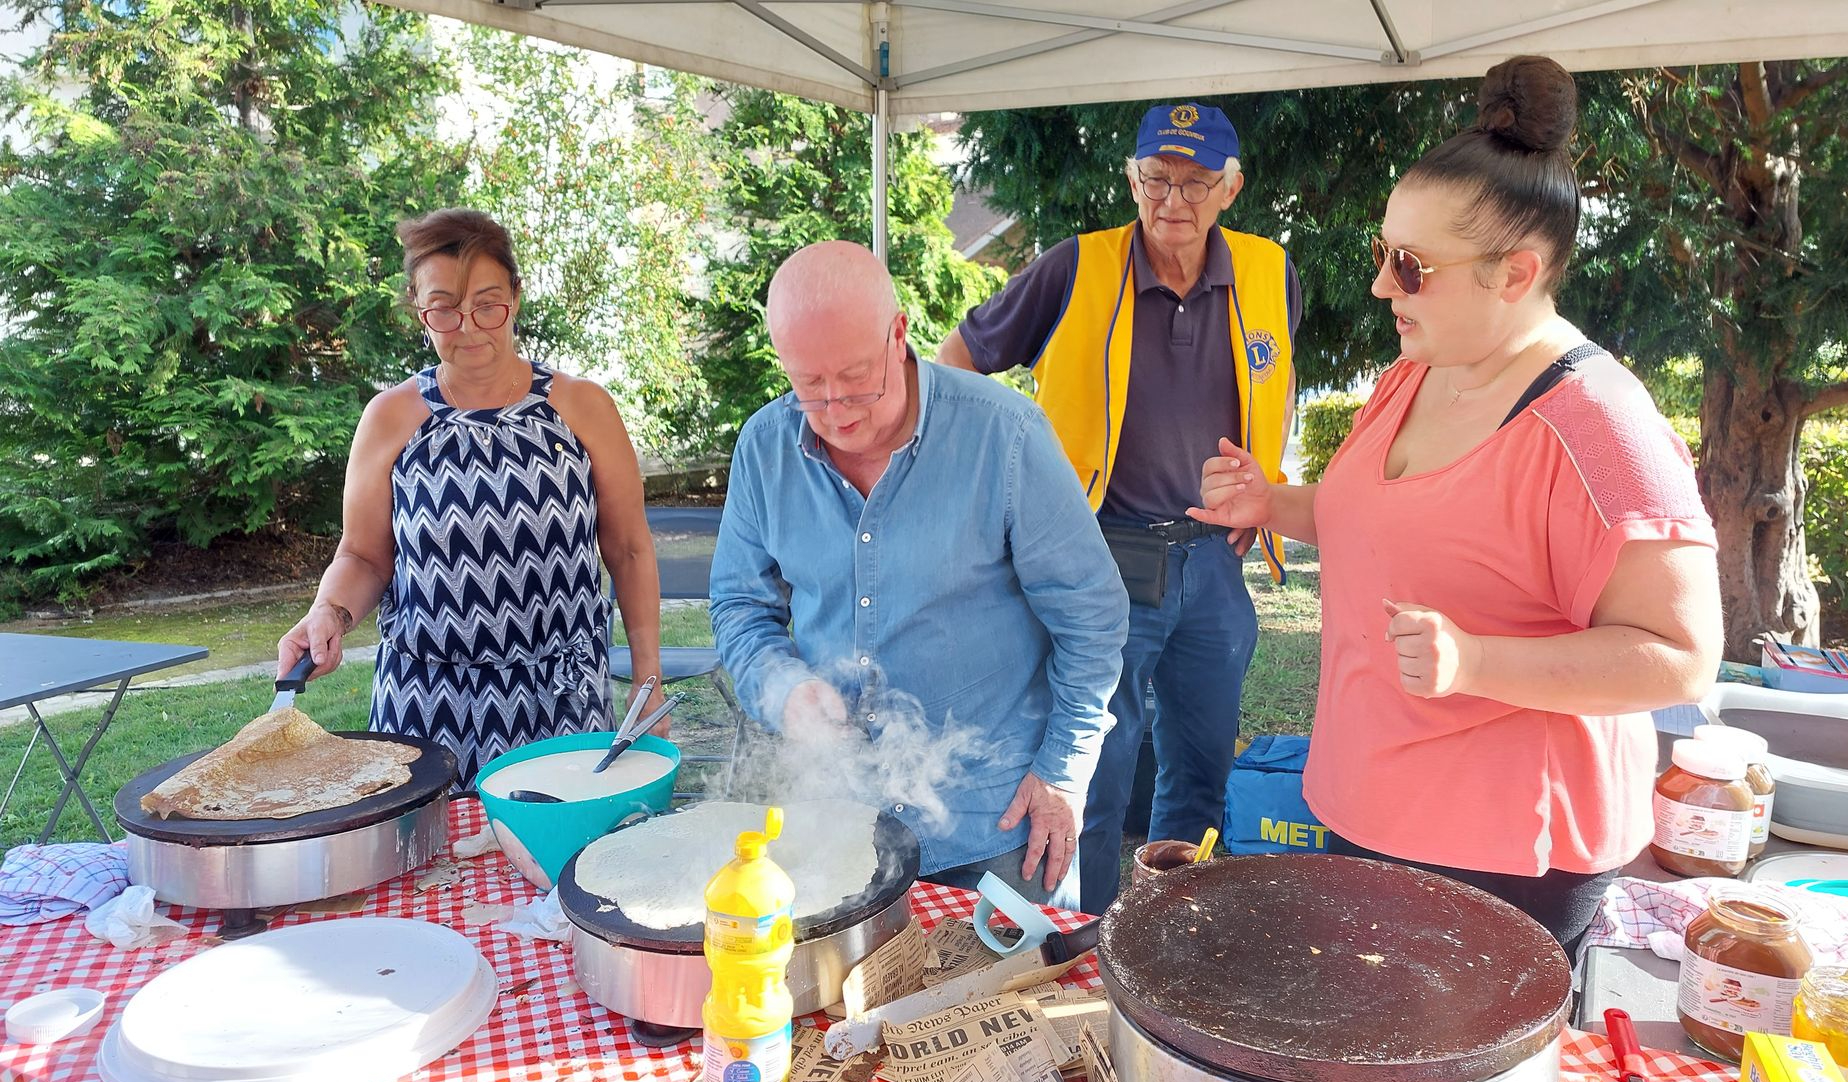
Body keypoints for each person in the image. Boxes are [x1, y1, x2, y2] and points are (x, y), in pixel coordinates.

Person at [1190, 57, 1722, 955]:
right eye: (1381, 253)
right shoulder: (1415, 371)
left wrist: (1475, 661)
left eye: (1412, 266)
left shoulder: (1600, 429)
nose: (1381, 287)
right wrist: (1274, 501)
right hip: (1370, 806)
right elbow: (1388, 520)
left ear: (1516, 274)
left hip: (1503, 858)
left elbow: (1679, 658)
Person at [936, 103, 1302, 913]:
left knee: (1203, 768)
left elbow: (1276, 387)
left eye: (1196, 182)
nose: (1173, 200)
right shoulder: (1075, 268)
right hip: (1097, 559)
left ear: (1232, 188)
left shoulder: (1271, 273)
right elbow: (959, 358)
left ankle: (1170, 935)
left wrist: (1262, 489)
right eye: (1155, 180)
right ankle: (1078, 937)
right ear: (1132, 180)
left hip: (1213, 563)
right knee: (1089, 776)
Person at [710, 240, 1128, 911]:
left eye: (855, 378)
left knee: (1010, 1014)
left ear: (898, 333)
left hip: (996, 826)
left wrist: (1063, 772)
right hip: (841, 821)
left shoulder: (1004, 434)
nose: (837, 407)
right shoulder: (764, 449)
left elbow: (1093, 614)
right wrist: (785, 689)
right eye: (809, 386)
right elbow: (740, 608)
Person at [276, 209, 667, 782]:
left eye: (488, 303)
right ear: (419, 307)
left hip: (562, 704)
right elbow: (362, 555)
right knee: (427, 872)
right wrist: (327, 612)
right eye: (444, 309)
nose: (470, 326)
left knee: (559, 862)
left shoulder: (583, 408)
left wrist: (647, 680)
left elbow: (630, 549)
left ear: (516, 295)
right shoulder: (390, 419)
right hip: (424, 708)